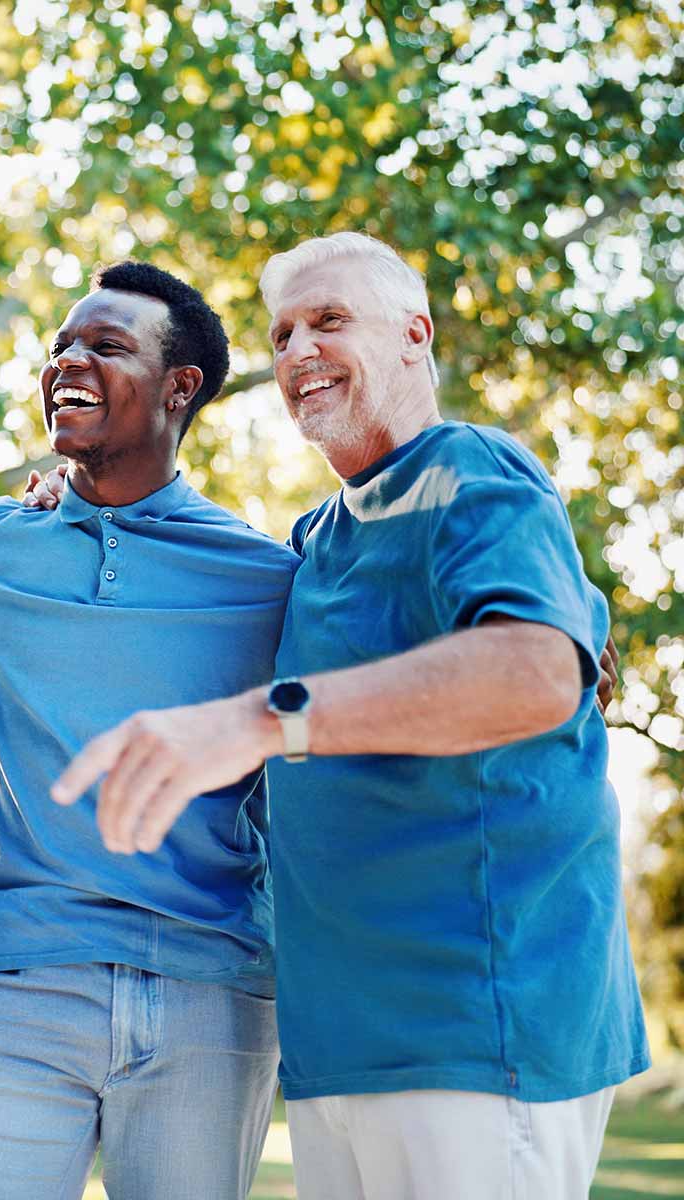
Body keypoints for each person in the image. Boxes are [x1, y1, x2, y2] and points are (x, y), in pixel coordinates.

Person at [53, 233, 649, 1199]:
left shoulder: (470, 470)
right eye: (282, 333)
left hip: (474, 1027)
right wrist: (67, 496)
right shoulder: (318, 539)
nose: (297, 352)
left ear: (414, 336)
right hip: (341, 1044)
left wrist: (263, 719)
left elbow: (538, 672)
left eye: (329, 322)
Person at [0, 262, 297, 1200]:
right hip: (16, 976)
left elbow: (409, 634)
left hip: (214, 987)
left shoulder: (264, 574)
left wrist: (577, 618)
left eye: (106, 346)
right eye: (61, 345)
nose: (68, 359)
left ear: (178, 387)